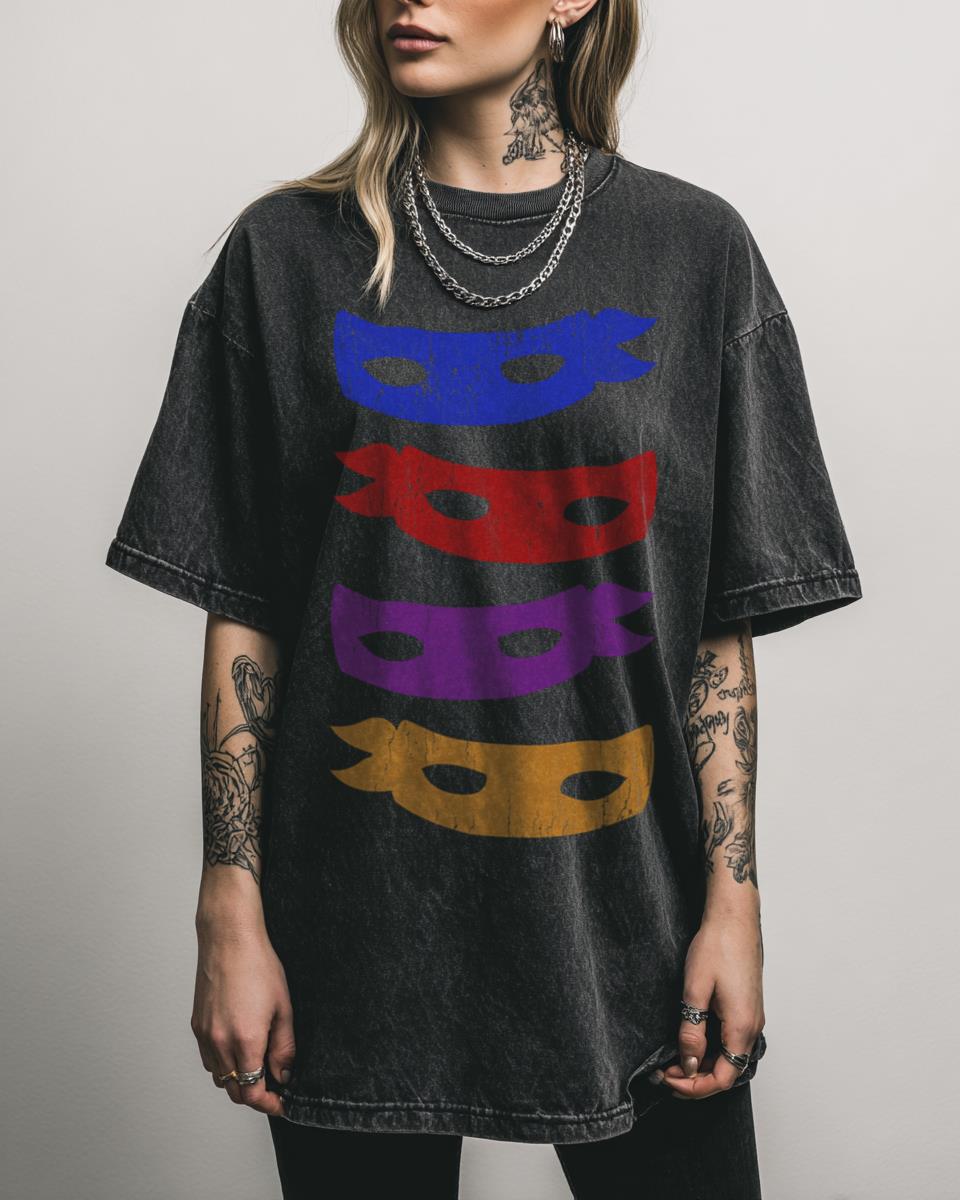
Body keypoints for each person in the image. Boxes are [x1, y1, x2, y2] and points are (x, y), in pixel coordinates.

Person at [104, 0, 863, 1196]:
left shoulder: (694, 251)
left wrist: (735, 901)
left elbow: (716, 631)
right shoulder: (285, 254)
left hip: (632, 922)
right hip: (352, 927)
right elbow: (244, 608)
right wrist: (229, 905)